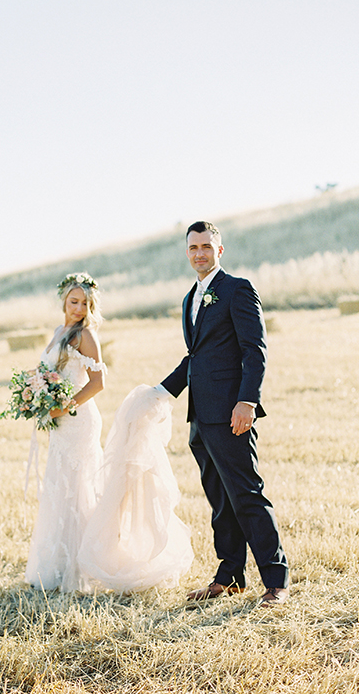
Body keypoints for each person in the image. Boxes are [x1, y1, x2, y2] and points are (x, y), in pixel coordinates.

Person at [25, 272, 193, 593]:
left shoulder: (86, 335)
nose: (78, 308)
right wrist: (37, 395)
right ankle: (56, 566)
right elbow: (49, 374)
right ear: (63, 300)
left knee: (79, 486)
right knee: (59, 485)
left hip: (78, 419)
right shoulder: (59, 331)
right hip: (59, 420)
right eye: (74, 302)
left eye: (85, 303)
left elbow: (98, 383)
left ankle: (82, 566)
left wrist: (65, 407)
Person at [158, 221, 289, 607]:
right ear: (187, 253)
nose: (200, 253)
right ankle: (230, 577)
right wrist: (160, 393)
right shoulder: (189, 299)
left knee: (246, 495)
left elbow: (255, 350)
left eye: (206, 246)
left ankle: (277, 580)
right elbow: (195, 358)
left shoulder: (237, 289)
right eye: (193, 247)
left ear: (220, 250)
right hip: (200, 416)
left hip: (232, 412)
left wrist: (247, 401)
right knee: (220, 499)